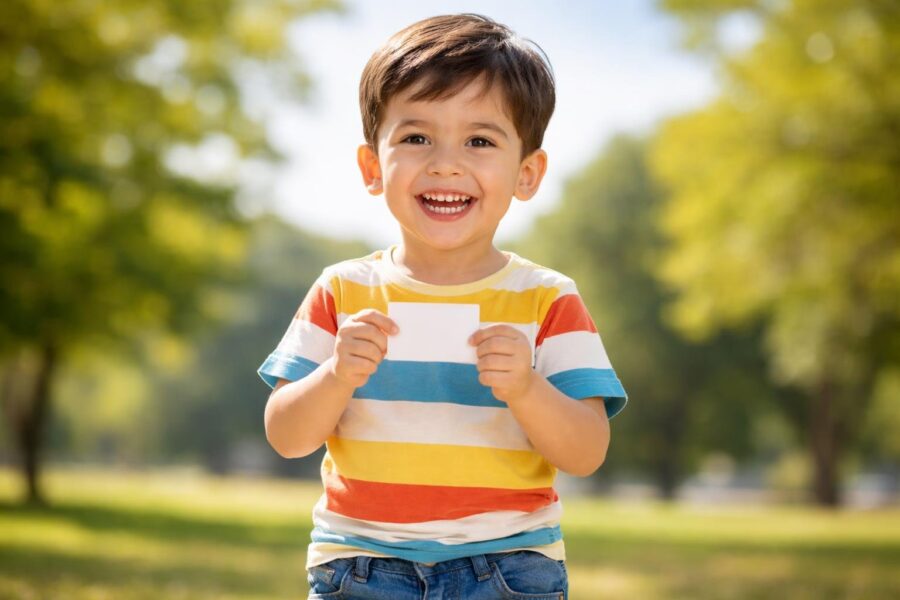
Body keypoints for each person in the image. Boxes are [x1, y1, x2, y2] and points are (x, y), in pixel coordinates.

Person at [258, 13, 628, 600]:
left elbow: (586, 452)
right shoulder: (341, 290)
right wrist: (336, 375)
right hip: (361, 564)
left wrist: (527, 387)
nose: (445, 163)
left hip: (508, 567)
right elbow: (286, 435)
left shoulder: (548, 298)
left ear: (527, 173)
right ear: (372, 168)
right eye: (416, 138)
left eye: (480, 141)